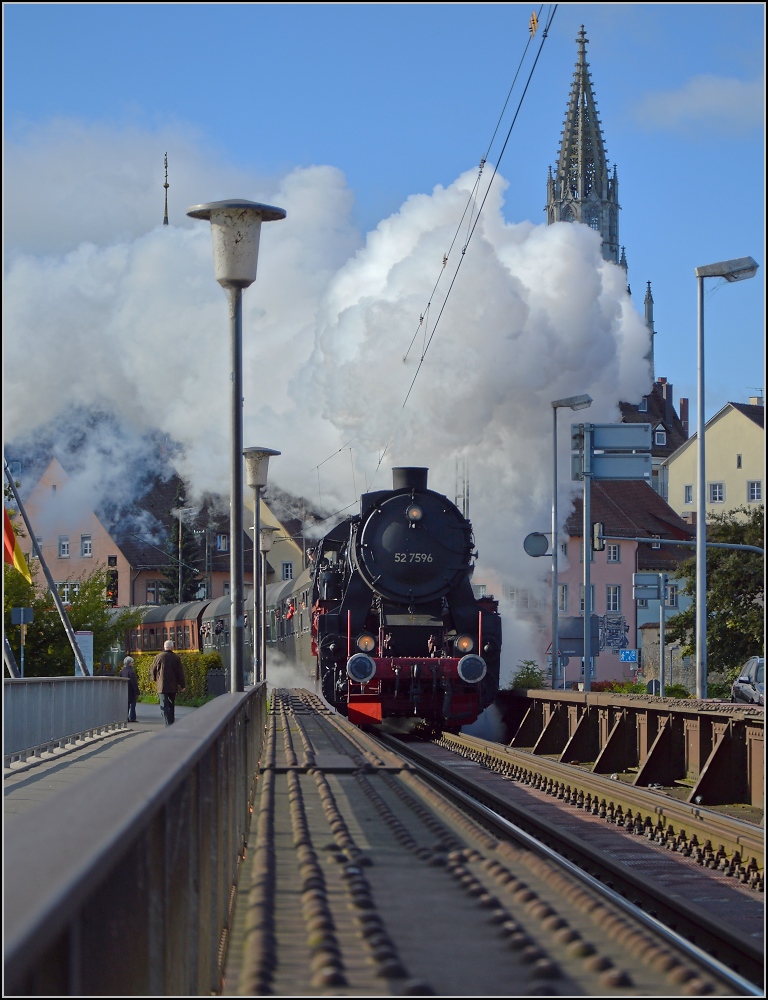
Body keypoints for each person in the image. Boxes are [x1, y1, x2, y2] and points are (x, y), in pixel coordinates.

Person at [151, 639, 186, 726]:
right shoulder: (176, 658)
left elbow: (153, 670)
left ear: (164, 647)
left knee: (164, 704)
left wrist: (155, 679)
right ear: (172, 647)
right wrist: (182, 685)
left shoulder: (158, 657)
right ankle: (171, 721)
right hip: (173, 686)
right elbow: (180, 673)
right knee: (171, 704)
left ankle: (167, 723)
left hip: (162, 686)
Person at [120, 655, 140, 722]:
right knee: (133, 705)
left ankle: (125, 717)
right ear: (129, 663)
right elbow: (134, 682)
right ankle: (132, 718)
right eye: (132, 662)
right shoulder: (131, 671)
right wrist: (137, 691)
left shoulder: (122, 671)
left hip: (124, 690)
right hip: (131, 691)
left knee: (126, 705)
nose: (133, 663)